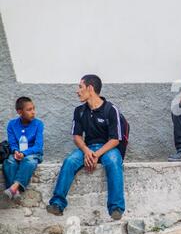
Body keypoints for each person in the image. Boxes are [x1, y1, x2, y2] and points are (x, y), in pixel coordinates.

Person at [47, 75, 125, 220]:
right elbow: (76, 136)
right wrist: (87, 151)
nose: (77, 91)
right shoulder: (79, 111)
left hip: (108, 149)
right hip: (87, 148)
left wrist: (96, 154)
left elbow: (115, 140)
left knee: (114, 162)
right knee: (70, 161)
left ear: (90, 88)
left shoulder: (111, 109)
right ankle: (57, 204)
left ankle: (116, 208)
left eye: (80, 87)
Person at [2, 97, 44, 201]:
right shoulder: (12, 124)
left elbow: (38, 146)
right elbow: (12, 143)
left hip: (33, 153)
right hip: (17, 153)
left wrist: (24, 153)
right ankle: (15, 192)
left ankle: (13, 188)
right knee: (9, 162)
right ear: (20, 112)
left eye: (33, 108)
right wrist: (15, 151)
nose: (33, 112)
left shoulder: (38, 124)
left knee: (29, 162)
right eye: (29, 110)